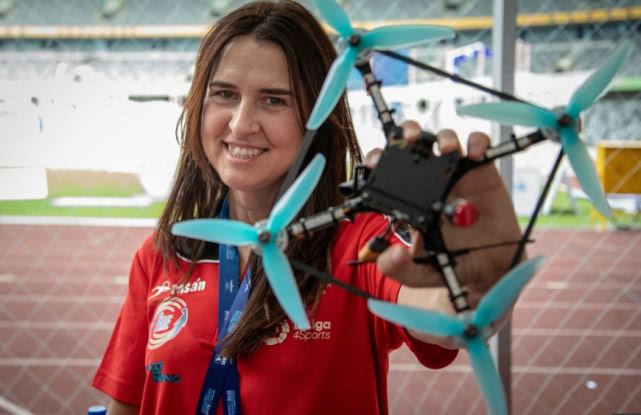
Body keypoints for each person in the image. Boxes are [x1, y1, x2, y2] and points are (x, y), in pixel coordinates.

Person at [92, 1, 523, 414]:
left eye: (274, 100)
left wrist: (479, 279)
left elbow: (447, 315)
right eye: (224, 94)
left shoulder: (361, 241)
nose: (241, 124)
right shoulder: (162, 254)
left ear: (319, 118)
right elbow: (127, 405)